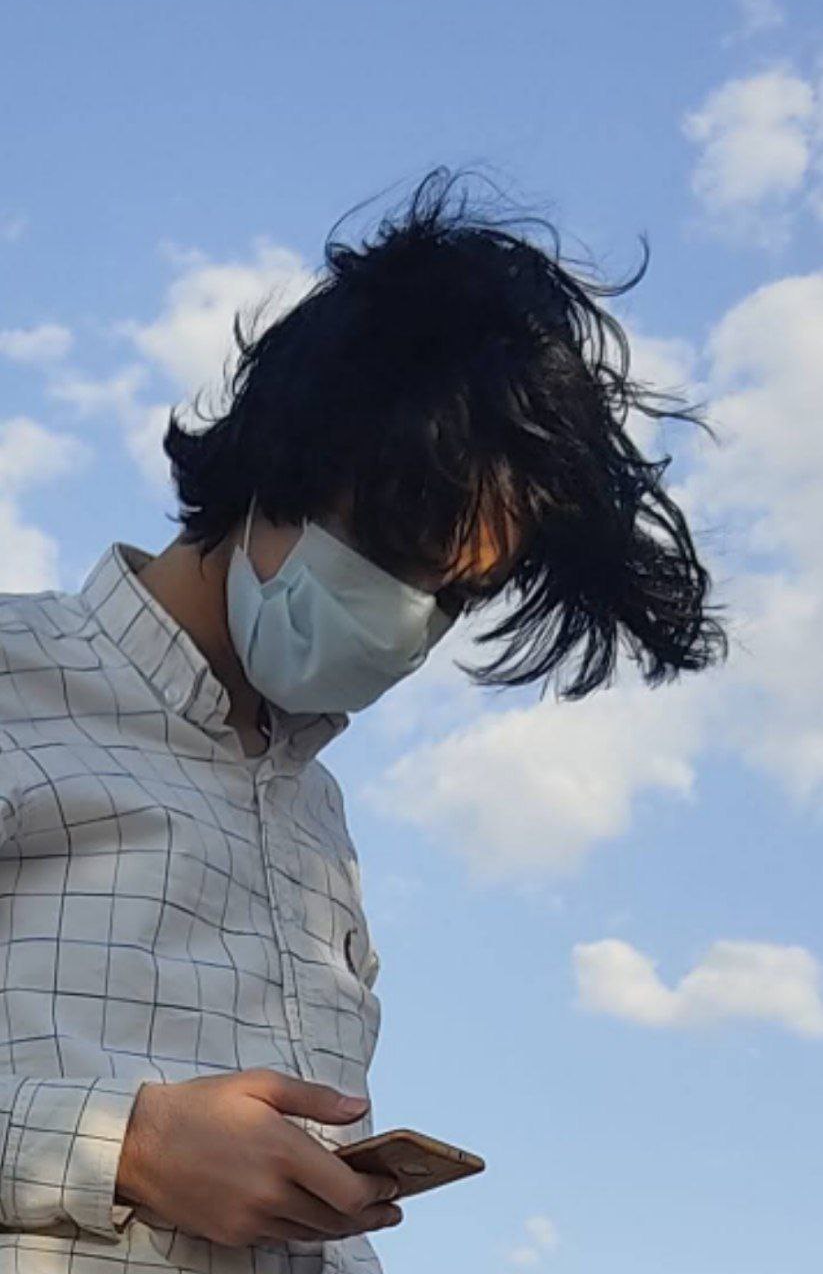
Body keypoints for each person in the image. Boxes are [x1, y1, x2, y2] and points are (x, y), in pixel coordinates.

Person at [0, 165, 727, 1274]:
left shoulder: (317, 820)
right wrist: (125, 1147)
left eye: (455, 596)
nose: (408, 622)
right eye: (396, 553)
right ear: (283, 459)